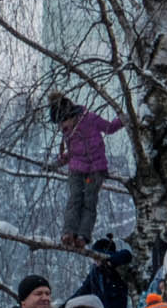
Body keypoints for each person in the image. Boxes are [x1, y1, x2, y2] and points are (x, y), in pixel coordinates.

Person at [49, 93, 127, 250]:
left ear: (70, 115)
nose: (62, 127)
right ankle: (68, 233)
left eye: (63, 122)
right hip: (76, 168)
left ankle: (83, 236)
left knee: (89, 201)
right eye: (60, 124)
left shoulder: (90, 119)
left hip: (95, 169)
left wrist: (126, 119)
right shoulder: (67, 131)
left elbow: (109, 128)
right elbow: (72, 152)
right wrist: (59, 162)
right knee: (74, 199)